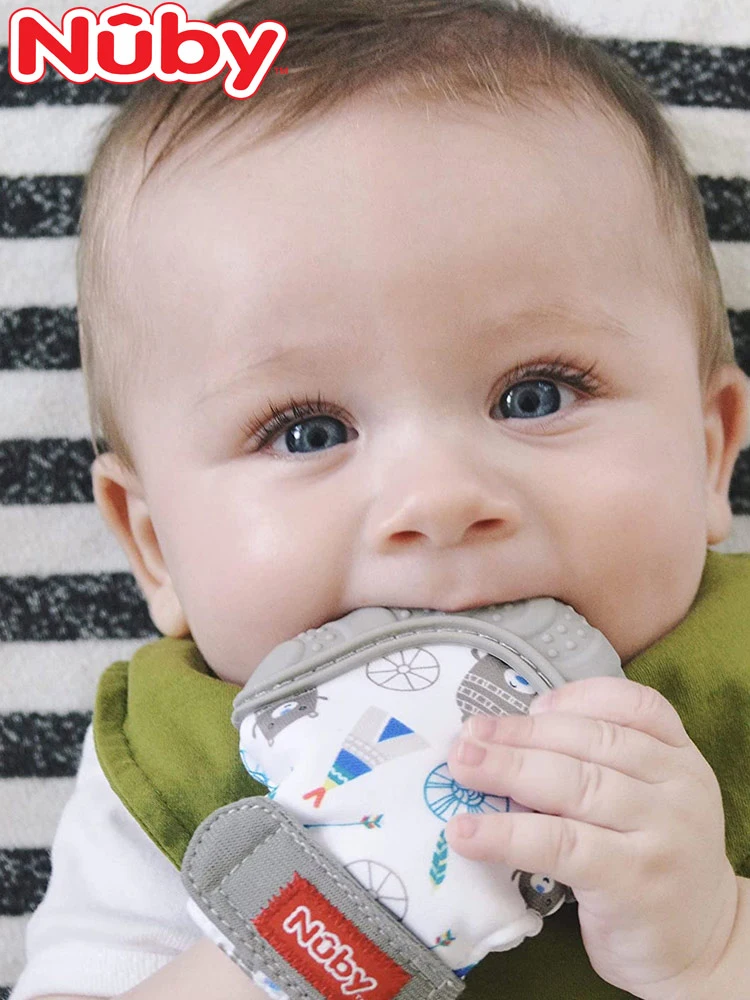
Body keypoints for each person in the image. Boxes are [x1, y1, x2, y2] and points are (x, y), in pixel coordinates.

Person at [11, 0, 750, 997]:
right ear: (155, 545)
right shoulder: (163, 767)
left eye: (534, 396)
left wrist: (712, 948)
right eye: (307, 430)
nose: (439, 499)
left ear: (708, 454)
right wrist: (277, 946)